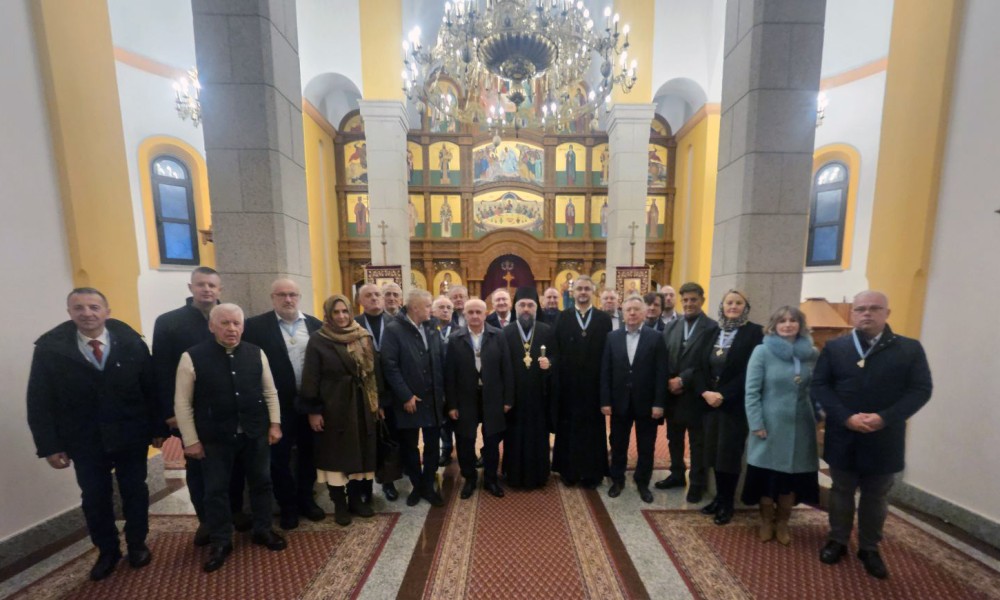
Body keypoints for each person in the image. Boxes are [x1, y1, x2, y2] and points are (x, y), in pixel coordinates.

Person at [27, 288, 166, 581]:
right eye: (79, 308)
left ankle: (137, 543)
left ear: (107, 312)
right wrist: (50, 446)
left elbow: (150, 389)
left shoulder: (131, 343)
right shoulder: (51, 349)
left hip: (130, 433)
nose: (87, 313)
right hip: (84, 439)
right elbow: (39, 401)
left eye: (93, 307)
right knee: (94, 497)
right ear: (70, 313)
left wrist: (157, 429)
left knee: (135, 491)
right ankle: (107, 550)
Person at [812, 291, 932, 579]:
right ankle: (838, 540)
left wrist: (884, 418)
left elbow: (920, 390)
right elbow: (820, 387)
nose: (867, 314)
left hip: (884, 437)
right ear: (852, 314)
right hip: (844, 434)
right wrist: (845, 417)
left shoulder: (909, 349)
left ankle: (869, 547)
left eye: (874, 309)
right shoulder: (836, 348)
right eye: (861, 309)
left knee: (875, 495)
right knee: (841, 491)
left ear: (887, 313)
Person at [174, 304, 287, 573]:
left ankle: (262, 529)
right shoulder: (192, 357)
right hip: (214, 438)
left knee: (261, 482)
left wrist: (275, 424)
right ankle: (221, 541)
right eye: (225, 323)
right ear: (212, 326)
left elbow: (270, 391)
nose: (231, 329)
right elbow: (182, 402)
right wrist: (190, 440)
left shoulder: (255, 353)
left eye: (236, 323)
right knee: (215, 491)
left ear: (243, 326)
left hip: (254, 432)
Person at [152, 267, 246, 545]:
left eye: (212, 285)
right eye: (201, 284)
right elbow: (161, 369)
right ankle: (207, 520)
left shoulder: (233, 317)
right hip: (191, 412)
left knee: (235, 465)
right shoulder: (169, 322)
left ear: (220, 289)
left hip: (231, 410)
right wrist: (168, 414)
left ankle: (235, 512)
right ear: (190, 287)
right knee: (198, 467)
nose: (207, 289)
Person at [242, 279, 324, 530]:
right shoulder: (255, 327)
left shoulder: (315, 325)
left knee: (309, 454)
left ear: (299, 297)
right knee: (278, 458)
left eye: (292, 295)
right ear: (272, 297)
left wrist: (318, 406)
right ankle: (287, 506)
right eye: (282, 295)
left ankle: (306, 500)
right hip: (275, 406)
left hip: (309, 403)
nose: (288, 300)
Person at [299, 295, 381, 527]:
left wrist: (377, 405)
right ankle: (340, 504)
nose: (342, 316)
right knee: (335, 455)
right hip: (333, 405)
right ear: (328, 314)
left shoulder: (363, 335)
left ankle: (356, 500)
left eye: (345, 311)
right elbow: (311, 376)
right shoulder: (319, 339)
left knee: (359, 452)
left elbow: (373, 373)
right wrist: (313, 410)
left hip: (362, 404)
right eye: (336, 312)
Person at [741, 306, 818, 543]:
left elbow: (817, 389)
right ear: (774, 326)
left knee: (791, 481)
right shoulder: (762, 352)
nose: (788, 324)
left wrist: (819, 415)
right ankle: (766, 521)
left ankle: (783, 523)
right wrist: (756, 423)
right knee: (768, 479)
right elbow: (751, 391)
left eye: (793, 320)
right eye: (782, 321)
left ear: (800, 324)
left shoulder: (812, 353)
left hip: (801, 427)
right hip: (769, 426)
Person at [697, 290, 764, 525]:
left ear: (745, 307)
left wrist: (723, 394)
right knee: (714, 453)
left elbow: (751, 371)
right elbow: (699, 365)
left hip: (733, 406)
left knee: (730, 455)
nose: (733, 307)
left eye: (738, 303)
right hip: (709, 405)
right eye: (729, 302)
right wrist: (705, 392)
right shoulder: (712, 331)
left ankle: (727, 502)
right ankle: (717, 498)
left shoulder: (753, 332)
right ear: (722, 306)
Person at [381, 289, 447, 507]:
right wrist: (406, 395)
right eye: (428, 305)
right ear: (415, 307)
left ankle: (428, 485)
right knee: (410, 446)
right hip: (409, 401)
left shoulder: (432, 326)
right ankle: (417, 486)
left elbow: (439, 359)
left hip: (434, 399)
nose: (431, 309)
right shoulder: (393, 329)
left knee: (431, 445)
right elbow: (389, 366)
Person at [655, 282, 719, 503]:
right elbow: (662, 357)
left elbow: (707, 361)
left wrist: (683, 379)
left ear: (702, 299)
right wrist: (668, 381)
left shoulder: (712, 328)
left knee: (697, 441)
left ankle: (698, 482)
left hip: (695, 392)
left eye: (694, 299)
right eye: (686, 300)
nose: (689, 304)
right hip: (672, 392)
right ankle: (676, 474)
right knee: (674, 437)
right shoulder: (672, 326)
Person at [600, 296, 668, 503]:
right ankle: (617, 479)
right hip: (620, 401)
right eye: (628, 309)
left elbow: (661, 372)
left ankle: (642, 482)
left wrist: (659, 403)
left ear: (644, 312)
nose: (631, 313)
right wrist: (605, 400)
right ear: (622, 312)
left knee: (646, 445)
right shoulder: (612, 337)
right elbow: (606, 371)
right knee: (618, 443)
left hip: (647, 403)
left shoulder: (655, 337)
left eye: (636, 310)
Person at [445, 298, 514, 498]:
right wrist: (451, 404)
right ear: (465, 315)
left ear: (485, 314)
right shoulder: (455, 338)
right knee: (466, 441)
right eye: (470, 312)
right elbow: (450, 374)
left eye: (478, 312)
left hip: (493, 397)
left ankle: (491, 479)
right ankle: (470, 479)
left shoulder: (498, 335)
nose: (474, 316)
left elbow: (507, 368)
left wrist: (508, 399)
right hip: (465, 398)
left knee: (492, 440)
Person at [551, 275, 613, 488]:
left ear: (593, 291)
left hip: (594, 386)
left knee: (593, 430)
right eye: (579, 289)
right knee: (568, 429)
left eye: (587, 288)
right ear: (573, 292)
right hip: (568, 386)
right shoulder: (562, 317)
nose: (583, 292)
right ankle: (569, 471)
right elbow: (555, 351)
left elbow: (609, 354)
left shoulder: (604, 319)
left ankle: (592, 472)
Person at [501, 287, 555, 489]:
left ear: (536, 308)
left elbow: (557, 357)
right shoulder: (505, 332)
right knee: (513, 436)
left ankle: (538, 475)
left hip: (538, 397)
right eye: (522, 305)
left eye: (530, 305)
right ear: (515, 308)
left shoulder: (546, 330)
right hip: (514, 397)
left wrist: (550, 363)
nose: (526, 309)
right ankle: (513, 475)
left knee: (537, 436)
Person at [355, 283, 401, 501]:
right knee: (365, 441)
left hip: (392, 394)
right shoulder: (354, 325)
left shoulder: (396, 323)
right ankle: (363, 487)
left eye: (377, 295)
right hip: (363, 395)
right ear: (360, 301)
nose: (374, 298)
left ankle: (388, 481)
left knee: (389, 438)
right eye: (368, 295)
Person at [431, 295, 458, 466]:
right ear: (433, 311)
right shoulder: (428, 331)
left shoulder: (460, 331)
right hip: (435, 383)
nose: (445, 310)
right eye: (441, 307)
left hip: (456, 383)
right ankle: (446, 450)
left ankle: (463, 450)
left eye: (449, 307)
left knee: (457, 418)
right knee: (441, 421)